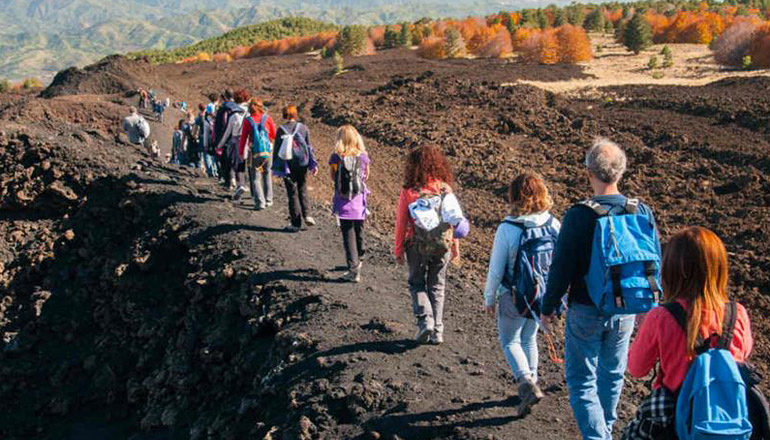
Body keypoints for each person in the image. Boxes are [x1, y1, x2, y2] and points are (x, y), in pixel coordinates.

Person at [540, 138, 662, 440]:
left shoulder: (579, 215)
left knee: (582, 382)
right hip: (626, 309)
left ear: (588, 173)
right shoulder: (641, 211)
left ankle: (599, 437)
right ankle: (604, 430)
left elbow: (561, 268)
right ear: (620, 173)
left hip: (585, 309)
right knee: (611, 376)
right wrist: (651, 309)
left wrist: (548, 307)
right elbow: (653, 262)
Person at [623, 226, 754, 439]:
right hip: (728, 421)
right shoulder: (737, 314)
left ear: (673, 269)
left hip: (674, 421)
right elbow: (741, 356)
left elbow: (636, 368)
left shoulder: (661, 317)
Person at [483, 172, 560, 417]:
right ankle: (533, 383)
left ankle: (526, 383)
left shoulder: (508, 228)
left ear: (514, 197)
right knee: (528, 339)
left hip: (513, 295)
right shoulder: (554, 224)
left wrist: (489, 297)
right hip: (541, 295)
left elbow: (496, 269)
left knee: (510, 341)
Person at [394, 144, 470, 345]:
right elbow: (453, 220)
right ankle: (438, 330)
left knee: (416, 283)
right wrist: (454, 247)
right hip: (442, 244)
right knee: (437, 285)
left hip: (416, 244)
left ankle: (425, 321)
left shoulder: (409, 191)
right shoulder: (445, 189)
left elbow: (401, 223)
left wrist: (399, 249)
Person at [329, 125, 370, 283]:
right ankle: (360, 257)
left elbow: (333, 177)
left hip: (343, 200)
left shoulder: (336, 157)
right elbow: (366, 176)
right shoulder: (363, 157)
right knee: (359, 229)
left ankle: (353, 269)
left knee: (348, 234)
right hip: (359, 201)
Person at [272, 105, 318, 232]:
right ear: (295, 114)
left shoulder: (281, 129)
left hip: (288, 165)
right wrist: (313, 164)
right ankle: (307, 215)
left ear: (284, 114)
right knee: (302, 189)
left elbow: (276, 149)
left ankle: (296, 223)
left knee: (292, 193)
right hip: (302, 163)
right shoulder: (303, 128)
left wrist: (275, 167)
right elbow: (309, 147)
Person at [238, 99, 276, 210]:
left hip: (254, 152)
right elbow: (274, 134)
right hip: (268, 152)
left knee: (255, 177)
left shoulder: (248, 121)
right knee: (267, 174)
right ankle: (269, 199)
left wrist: (241, 152)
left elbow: (243, 138)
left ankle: (260, 202)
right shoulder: (267, 118)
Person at [216, 89, 249, 199]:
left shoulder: (234, 115)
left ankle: (240, 185)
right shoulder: (249, 112)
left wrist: (219, 145)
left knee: (235, 163)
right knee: (243, 163)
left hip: (235, 141)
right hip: (248, 141)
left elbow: (227, 133)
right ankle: (244, 185)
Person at [214, 90, 235, 188]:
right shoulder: (238, 108)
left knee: (224, 160)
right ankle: (235, 179)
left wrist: (217, 141)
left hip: (224, 137)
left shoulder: (222, 109)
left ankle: (228, 181)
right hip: (236, 137)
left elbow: (218, 125)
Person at [196, 103, 217, 178]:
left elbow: (203, 131)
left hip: (205, 137)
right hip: (215, 138)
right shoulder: (216, 119)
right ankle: (215, 170)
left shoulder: (202, 118)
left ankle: (210, 171)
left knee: (207, 155)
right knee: (214, 155)